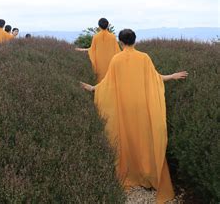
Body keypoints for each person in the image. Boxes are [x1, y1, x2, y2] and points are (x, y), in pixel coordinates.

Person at [80, 29, 188, 203]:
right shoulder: (144, 57)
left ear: (121, 42)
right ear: (135, 40)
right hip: (142, 105)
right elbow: (155, 78)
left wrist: (93, 88)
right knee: (145, 137)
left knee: (128, 138)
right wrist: (173, 76)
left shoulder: (116, 59)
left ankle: (132, 174)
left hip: (124, 106)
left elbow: (108, 83)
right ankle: (148, 175)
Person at [76, 18, 121, 83]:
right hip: (110, 63)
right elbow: (117, 51)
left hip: (100, 64)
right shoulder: (112, 37)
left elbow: (92, 50)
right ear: (107, 26)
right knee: (110, 81)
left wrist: (82, 50)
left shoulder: (96, 37)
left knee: (100, 82)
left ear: (99, 26)